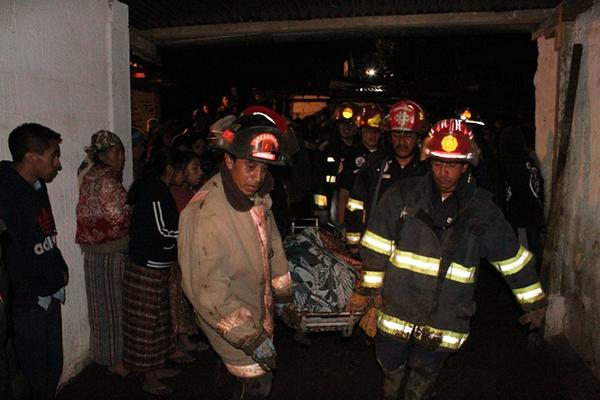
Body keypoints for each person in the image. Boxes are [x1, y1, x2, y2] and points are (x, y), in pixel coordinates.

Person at [348, 119, 547, 400]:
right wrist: (370, 291)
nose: (443, 172)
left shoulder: (481, 210)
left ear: (466, 166)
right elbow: (376, 247)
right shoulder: (402, 197)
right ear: (429, 161)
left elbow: (511, 258)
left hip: (446, 317)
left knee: (423, 378)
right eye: (438, 162)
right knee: (391, 371)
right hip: (397, 311)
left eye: (452, 165)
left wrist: (534, 301)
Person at [178, 113, 293, 400]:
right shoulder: (206, 214)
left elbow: (274, 247)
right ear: (229, 160)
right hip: (228, 320)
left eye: (264, 169)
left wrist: (284, 300)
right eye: (250, 166)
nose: (257, 177)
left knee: (235, 383)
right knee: (256, 384)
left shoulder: (257, 199)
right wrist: (250, 338)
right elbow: (208, 294)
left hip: (254, 308)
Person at [0, 123, 68, 400]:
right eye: (53, 156)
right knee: (34, 376)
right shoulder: (6, 193)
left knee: (53, 367)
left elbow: (45, 232)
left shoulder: (37, 185)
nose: (59, 164)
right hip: (28, 303)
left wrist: (59, 266)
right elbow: (12, 257)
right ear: (32, 158)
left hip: (49, 292)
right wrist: (31, 293)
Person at [123, 148, 190, 395]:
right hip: (147, 266)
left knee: (160, 321)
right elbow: (162, 230)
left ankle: (156, 367)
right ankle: (148, 378)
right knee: (146, 326)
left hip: (158, 265)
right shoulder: (154, 191)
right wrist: (189, 233)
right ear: (170, 169)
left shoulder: (158, 189)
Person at [75, 130, 131, 377]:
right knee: (115, 309)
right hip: (111, 252)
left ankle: (103, 356)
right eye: (120, 153)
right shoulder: (109, 179)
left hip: (91, 253)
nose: (122, 159)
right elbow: (120, 217)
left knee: (99, 308)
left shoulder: (86, 173)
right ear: (113, 153)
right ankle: (117, 361)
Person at [344, 100, 428, 249]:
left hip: (414, 248)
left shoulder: (426, 169)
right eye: (396, 134)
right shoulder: (375, 164)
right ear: (389, 136)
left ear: (418, 138)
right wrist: (354, 244)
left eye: (408, 135)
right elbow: (355, 204)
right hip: (376, 247)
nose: (401, 141)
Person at [336, 104, 384, 226]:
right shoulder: (351, 155)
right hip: (355, 218)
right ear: (361, 131)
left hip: (379, 217)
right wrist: (341, 223)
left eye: (376, 132)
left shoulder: (386, 156)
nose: (372, 136)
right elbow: (344, 192)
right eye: (369, 131)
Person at [313, 103, 359, 224]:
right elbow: (319, 181)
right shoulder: (326, 149)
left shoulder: (361, 151)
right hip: (331, 199)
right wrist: (321, 210)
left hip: (354, 200)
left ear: (357, 128)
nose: (346, 128)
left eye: (350, 124)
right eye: (342, 124)